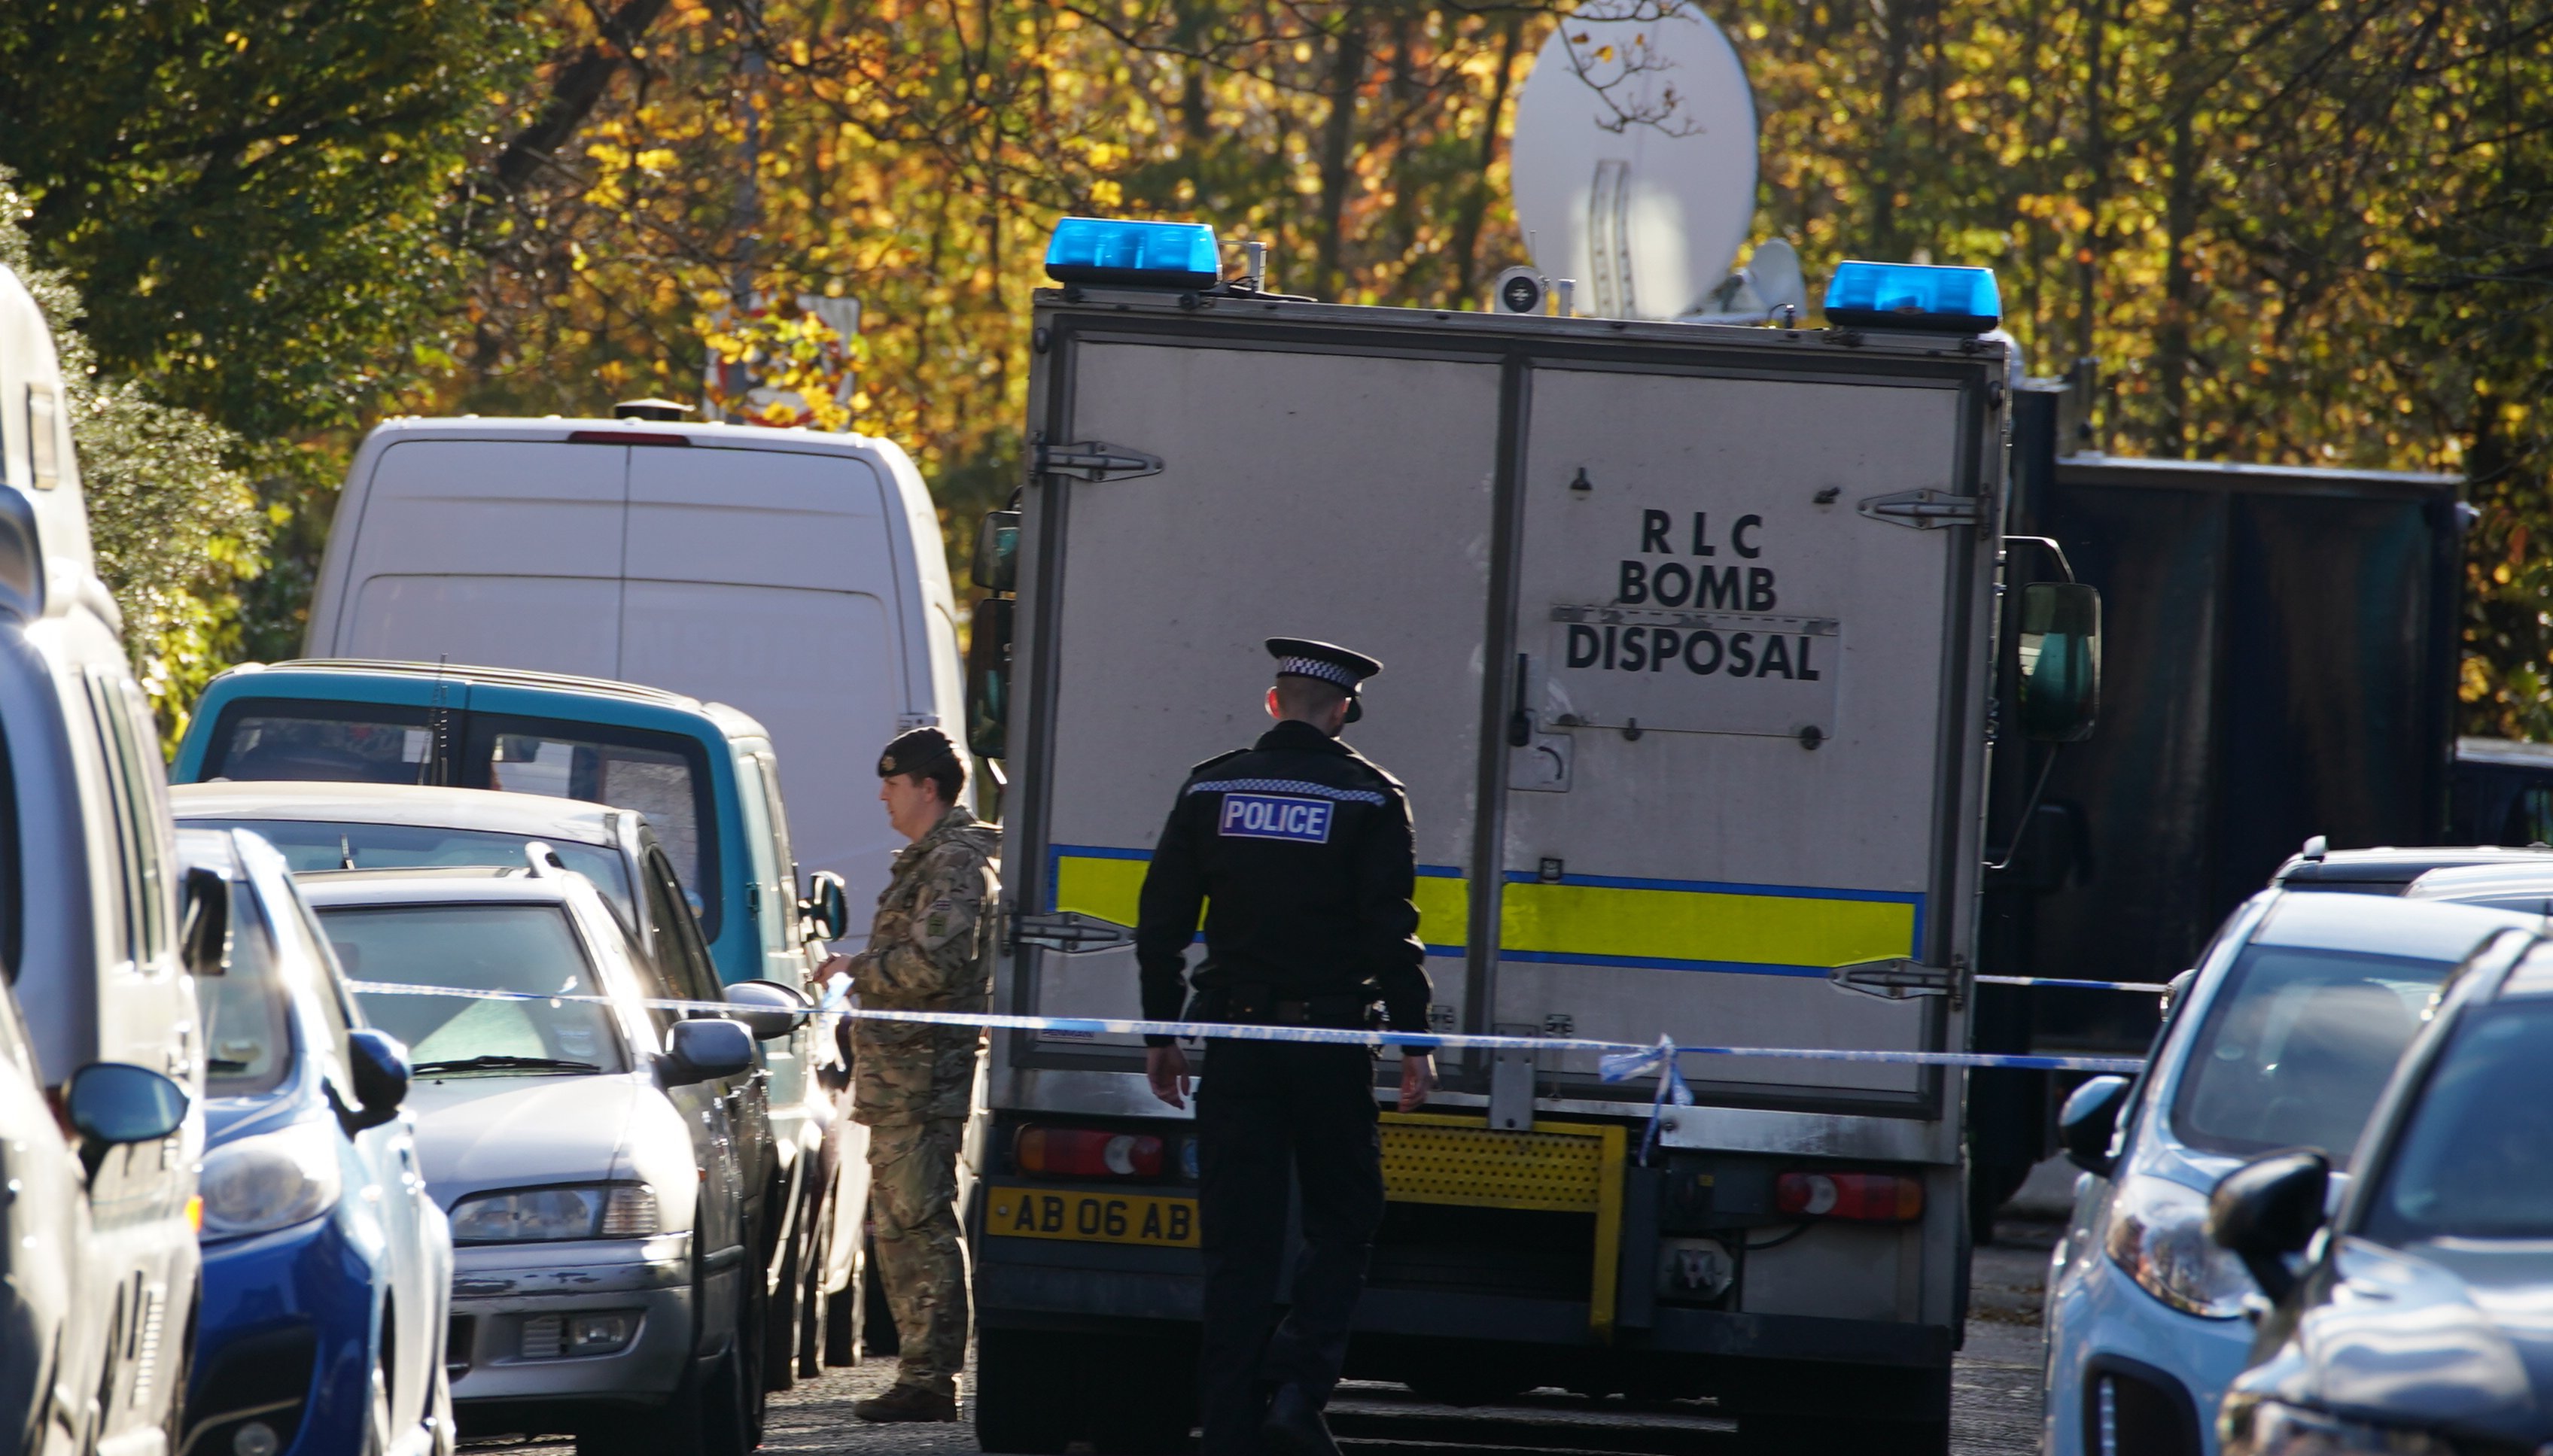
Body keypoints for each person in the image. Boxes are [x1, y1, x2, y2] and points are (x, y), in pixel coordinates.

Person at [1137, 637, 1435, 1456]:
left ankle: (1228, 1427)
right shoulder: (1369, 797)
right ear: (1339, 713)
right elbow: (1390, 932)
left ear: (1273, 704)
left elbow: (1160, 923)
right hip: (1331, 1040)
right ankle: (1298, 1389)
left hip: (1234, 1037)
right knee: (1344, 1218)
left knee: (1238, 1240)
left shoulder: (1211, 786)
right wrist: (1414, 1038)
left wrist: (1162, 1032)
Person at [817, 726, 1000, 1423]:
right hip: (902, 1075)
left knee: (919, 1223)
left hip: (924, 1076)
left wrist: (854, 970)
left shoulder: (954, 862)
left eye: (894, 784)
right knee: (899, 1224)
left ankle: (931, 1378)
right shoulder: (930, 859)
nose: (883, 796)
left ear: (928, 787)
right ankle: (921, 1374)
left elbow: (935, 965)